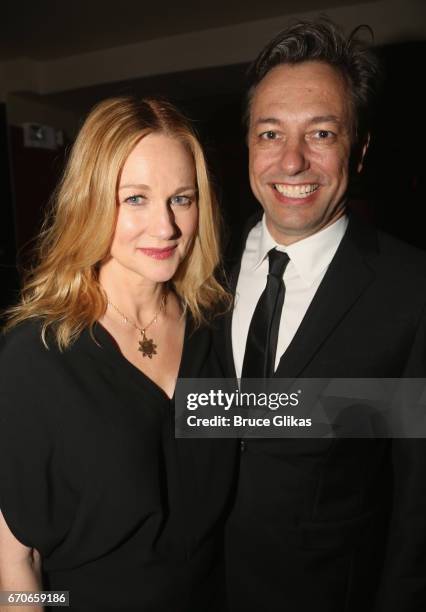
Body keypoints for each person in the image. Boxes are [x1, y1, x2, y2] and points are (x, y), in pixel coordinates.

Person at [215, 19, 426, 612]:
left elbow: (417, 505)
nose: (292, 161)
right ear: (249, 146)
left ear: (358, 152)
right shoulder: (196, 269)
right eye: (270, 134)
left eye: (322, 133)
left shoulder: (411, 291)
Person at [0, 96, 236, 611]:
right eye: (135, 198)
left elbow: (302, 427)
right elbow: (17, 565)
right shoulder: (36, 356)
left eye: (182, 198)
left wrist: (399, 407)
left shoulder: (218, 328)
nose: (166, 227)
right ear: (89, 201)